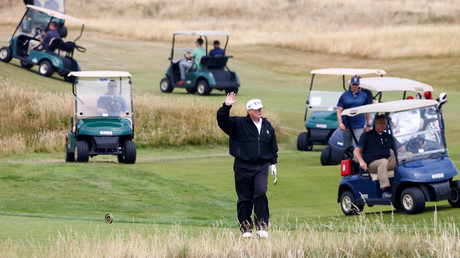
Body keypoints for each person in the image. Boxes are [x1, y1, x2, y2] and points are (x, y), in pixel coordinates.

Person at [217, 92, 278, 238]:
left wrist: (273, 163)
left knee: (260, 192)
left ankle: (261, 226)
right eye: (256, 109)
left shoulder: (267, 125)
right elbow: (222, 121)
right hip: (242, 166)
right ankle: (245, 228)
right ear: (249, 111)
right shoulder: (238, 124)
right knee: (245, 198)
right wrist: (226, 107)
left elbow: (272, 146)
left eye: (261, 108)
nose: (259, 111)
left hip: (262, 166)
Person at [354, 115, 399, 199]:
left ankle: (406, 183)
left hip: (386, 161)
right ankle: (385, 190)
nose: (382, 125)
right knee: (383, 162)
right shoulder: (367, 135)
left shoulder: (388, 136)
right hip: (372, 164)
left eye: (384, 123)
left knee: (406, 155)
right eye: (380, 123)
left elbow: (401, 148)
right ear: (375, 123)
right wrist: (361, 161)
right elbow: (356, 151)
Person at [337, 75, 371, 149]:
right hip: (347, 125)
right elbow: (339, 110)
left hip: (359, 125)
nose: (354, 86)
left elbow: (367, 111)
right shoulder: (344, 95)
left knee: (357, 146)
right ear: (350, 84)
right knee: (347, 146)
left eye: (356, 84)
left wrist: (368, 124)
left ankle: (356, 160)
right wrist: (340, 123)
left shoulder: (364, 96)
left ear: (359, 85)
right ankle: (348, 160)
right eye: (353, 84)